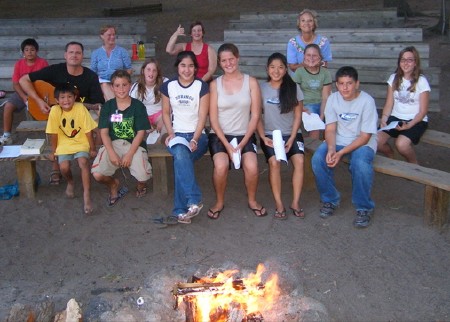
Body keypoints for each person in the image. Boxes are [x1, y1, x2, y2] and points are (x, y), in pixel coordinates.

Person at [19, 41, 105, 185]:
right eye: (71, 52)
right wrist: (39, 101)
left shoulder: (90, 76)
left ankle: (92, 158)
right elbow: (23, 80)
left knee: (100, 128)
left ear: (82, 56)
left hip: (83, 111)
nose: (74, 55)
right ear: (65, 55)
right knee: (56, 125)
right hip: (57, 111)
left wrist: (75, 105)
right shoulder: (55, 70)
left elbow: (98, 104)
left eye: (78, 52)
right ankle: (56, 166)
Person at [311, 66, 378, 228]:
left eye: (349, 83)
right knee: (318, 159)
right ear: (337, 85)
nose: (345, 88)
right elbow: (331, 129)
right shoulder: (333, 99)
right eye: (341, 84)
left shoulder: (367, 101)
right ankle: (330, 199)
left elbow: (365, 136)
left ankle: (364, 207)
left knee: (360, 164)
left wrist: (340, 154)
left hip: (362, 142)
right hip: (339, 139)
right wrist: (332, 148)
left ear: (357, 84)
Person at [208, 43, 266, 220]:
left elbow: (255, 115)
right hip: (220, 135)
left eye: (231, 59)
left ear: (238, 58)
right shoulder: (215, 84)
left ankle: (252, 200)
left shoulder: (251, 82)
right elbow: (213, 119)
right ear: (219, 63)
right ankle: (219, 201)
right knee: (221, 166)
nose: (228, 63)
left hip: (244, 134)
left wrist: (242, 143)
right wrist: (227, 145)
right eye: (223, 61)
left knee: (252, 167)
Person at [160, 51, 209, 224]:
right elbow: (166, 112)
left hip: (198, 136)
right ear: (177, 67)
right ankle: (193, 201)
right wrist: (171, 133)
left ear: (195, 68)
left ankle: (180, 210)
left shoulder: (201, 86)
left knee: (181, 160)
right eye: (183, 65)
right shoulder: (169, 86)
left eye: (190, 66)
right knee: (181, 154)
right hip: (177, 134)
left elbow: (203, 116)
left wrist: (195, 139)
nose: (187, 70)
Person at [91, 70, 152, 206]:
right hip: (113, 143)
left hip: (134, 145)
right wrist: (112, 153)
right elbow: (104, 132)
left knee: (143, 176)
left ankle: (141, 185)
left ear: (130, 85)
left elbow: (141, 132)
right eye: (117, 85)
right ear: (112, 87)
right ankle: (113, 184)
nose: (121, 89)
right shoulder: (108, 106)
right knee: (97, 174)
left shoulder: (138, 106)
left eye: (124, 85)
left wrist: (129, 155)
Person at [257, 53, 305, 220]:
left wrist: (292, 138)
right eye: (272, 67)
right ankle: (278, 203)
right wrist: (263, 137)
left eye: (280, 67)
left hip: (291, 134)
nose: (276, 71)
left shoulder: (293, 87)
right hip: (271, 135)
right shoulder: (261, 88)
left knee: (299, 160)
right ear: (267, 69)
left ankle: (295, 202)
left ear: (285, 69)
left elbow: (298, 116)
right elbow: (256, 116)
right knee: (274, 162)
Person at [45, 83, 97, 214]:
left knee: (83, 162)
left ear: (75, 98)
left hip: (81, 142)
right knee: (64, 167)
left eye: (69, 96)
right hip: (64, 144)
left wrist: (92, 148)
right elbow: (54, 133)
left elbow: (88, 131)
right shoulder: (55, 111)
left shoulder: (80, 108)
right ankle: (70, 182)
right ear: (57, 100)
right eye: (62, 97)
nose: (66, 100)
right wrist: (53, 151)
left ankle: (87, 195)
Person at [377, 46, 430, 164]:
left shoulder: (421, 81)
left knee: (401, 144)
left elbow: (423, 111)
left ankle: (413, 165)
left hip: (416, 119)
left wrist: (409, 125)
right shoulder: (394, 78)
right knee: (376, 140)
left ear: (415, 63)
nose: (406, 63)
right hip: (396, 117)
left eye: (410, 60)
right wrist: (384, 118)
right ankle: (390, 154)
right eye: (403, 59)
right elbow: (389, 103)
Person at [0, 38, 48, 145]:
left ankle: (48, 135)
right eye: (26, 50)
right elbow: (16, 83)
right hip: (22, 93)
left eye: (32, 50)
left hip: (38, 93)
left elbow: (46, 82)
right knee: (8, 106)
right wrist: (23, 97)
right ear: (23, 52)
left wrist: (36, 97)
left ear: (37, 51)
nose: (29, 52)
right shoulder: (19, 64)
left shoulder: (42, 63)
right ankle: (7, 135)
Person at [292, 44, 332, 139]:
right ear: (304, 56)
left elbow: (325, 97)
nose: (311, 58)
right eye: (308, 55)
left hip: (322, 104)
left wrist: (322, 116)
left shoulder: (325, 73)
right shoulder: (299, 72)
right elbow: (294, 93)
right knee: (314, 118)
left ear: (319, 57)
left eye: (314, 55)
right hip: (306, 105)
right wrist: (301, 107)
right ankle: (314, 147)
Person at [91, 25, 133, 101]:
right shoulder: (96, 53)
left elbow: (129, 69)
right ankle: (116, 106)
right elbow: (93, 72)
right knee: (104, 85)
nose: (112, 37)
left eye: (113, 34)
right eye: (109, 35)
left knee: (109, 86)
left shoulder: (122, 51)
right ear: (102, 36)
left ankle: (113, 107)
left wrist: (120, 78)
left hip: (118, 80)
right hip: (102, 81)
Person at [129, 58, 167, 141]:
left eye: (154, 70)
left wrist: (164, 118)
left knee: (166, 126)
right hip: (142, 115)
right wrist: (144, 121)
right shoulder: (136, 87)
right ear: (143, 71)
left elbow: (170, 104)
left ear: (158, 73)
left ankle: (162, 147)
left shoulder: (165, 83)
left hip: (160, 114)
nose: (151, 73)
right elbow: (133, 108)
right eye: (148, 70)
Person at [287, 9, 332, 73]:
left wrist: (317, 64)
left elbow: (325, 64)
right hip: (298, 80)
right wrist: (306, 65)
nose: (306, 23)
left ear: (314, 24)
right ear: (299, 24)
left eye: (310, 21)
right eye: (303, 20)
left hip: (317, 78)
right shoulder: (292, 42)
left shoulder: (323, 41)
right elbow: (292, 67)